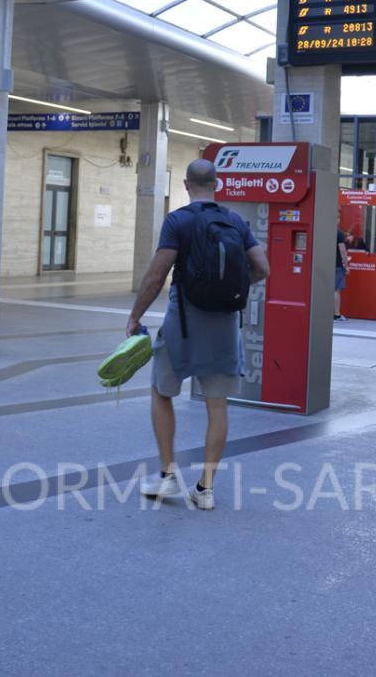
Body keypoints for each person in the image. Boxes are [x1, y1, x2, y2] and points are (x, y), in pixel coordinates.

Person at [126, 159, 270, 510]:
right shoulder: (235, 220)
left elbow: (157, 275)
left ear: (188, 185)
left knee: (161, 391)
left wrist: (135, 316)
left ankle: (167, 476)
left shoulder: (178, 220)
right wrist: (233, 287)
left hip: (184, 322)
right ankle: (205, 489)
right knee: (216, 404)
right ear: (216, 185)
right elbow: (263, 268)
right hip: (223, 324)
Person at [334, 220, 350, 322]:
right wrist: (346, 265)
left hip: (322, 264)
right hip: (337, 265)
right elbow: (342, 250)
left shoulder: (321, 230)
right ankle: (337, 315)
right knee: (336, 290)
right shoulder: (339, 233)